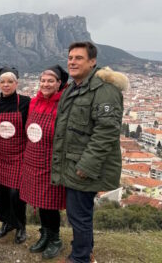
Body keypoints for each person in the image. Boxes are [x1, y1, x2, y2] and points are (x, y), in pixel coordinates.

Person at [52, 41, 128, 263]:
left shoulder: (104, 90)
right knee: (80, 214)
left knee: (79, 216)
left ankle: (80, 258)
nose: (72, 62)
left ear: (93, 62)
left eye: (79, 58)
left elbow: (106, 133)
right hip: (73, 163)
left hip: (84, 167)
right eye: (70, 58)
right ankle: (85, 251)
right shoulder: (74, 87)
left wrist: (86, 165)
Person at [20, 65, 69, 259]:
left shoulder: (64, 104)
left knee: (50, 203)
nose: (45, 84)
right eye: (43, 80)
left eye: (50, 81)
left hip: (51, 161)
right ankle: (45, 234)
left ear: (59, 84)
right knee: (40, 202)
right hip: (33, 158)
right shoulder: (34, 103)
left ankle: (55, 239)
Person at [0, 66, 30, 244]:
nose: (6, 85)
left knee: (16, 193)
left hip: (19, 154)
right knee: (2, 192)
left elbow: (30, 128)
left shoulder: (26, 102)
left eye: (10, 82)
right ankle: (6, 222)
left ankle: (20, 226)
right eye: (2, 82)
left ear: (16, 83)